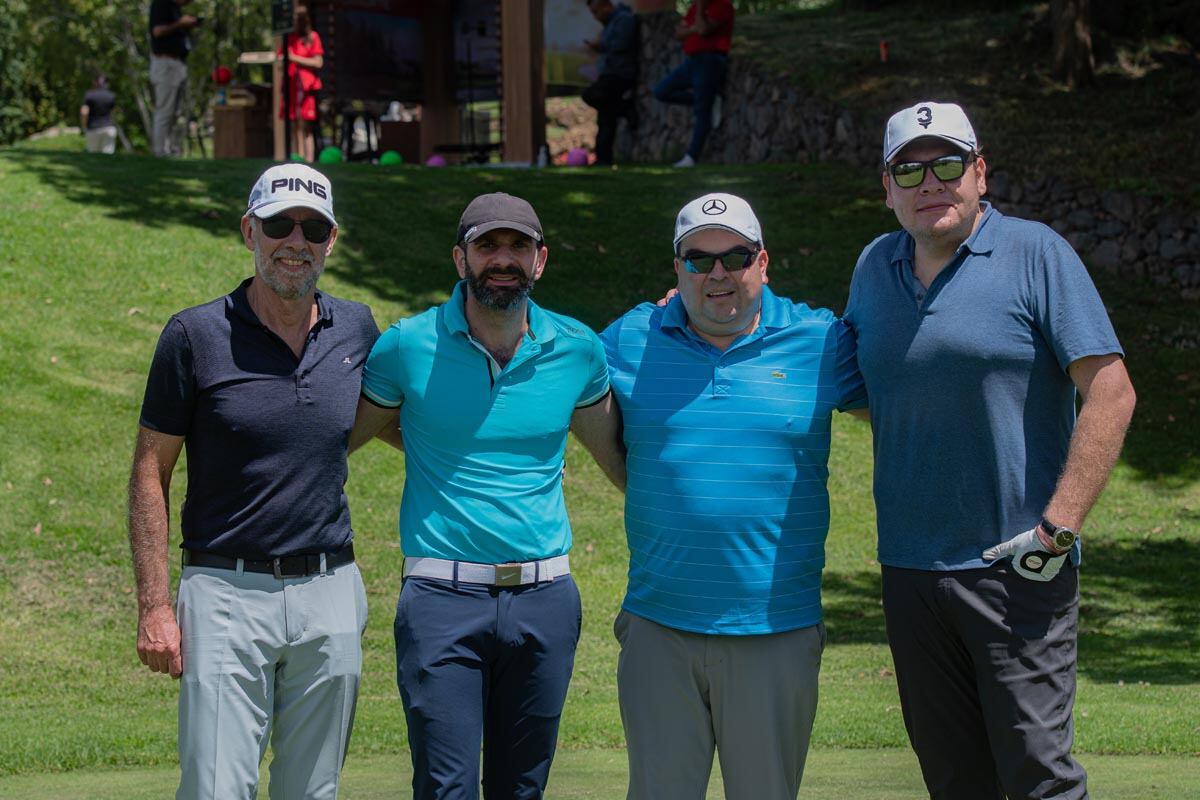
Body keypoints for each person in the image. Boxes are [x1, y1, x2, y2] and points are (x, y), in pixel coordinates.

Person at [843, 101, 1137, 799]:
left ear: (979, 173)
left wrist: (1058, 528)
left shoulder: (1036, 253)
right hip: (910, 569)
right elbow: (850, 378)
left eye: (947, 164)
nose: (929, 183)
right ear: (886, 188)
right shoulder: (874, 265)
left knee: (1038, 777)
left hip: (1018, 569)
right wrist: (701, 311)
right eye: (907, 170)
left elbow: (1112, 390)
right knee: (953, 780)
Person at [350, 192, 622, 800]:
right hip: (440, 599)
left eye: (518, 246)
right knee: (445, 789)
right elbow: (338, 440)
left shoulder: (578, 350)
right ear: (460, 257)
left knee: (522, 789)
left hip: (546, 598)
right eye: (487, 246)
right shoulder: (405, 346)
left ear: (540, 260)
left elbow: (621, 466)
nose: (503, 259)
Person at [599, 193, 867, 799]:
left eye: (734, 257)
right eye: (698, 260)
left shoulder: (822, 341)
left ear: (763, 263)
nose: (717, 274)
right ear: (677, 269)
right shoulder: (628, 339)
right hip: (659, 629)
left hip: (776, 629)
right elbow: (552, 382)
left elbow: (911, 400)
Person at [128, 163, 381, 799]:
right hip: (223, 592)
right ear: (249, 231)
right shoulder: (193, 336)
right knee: (216, 789)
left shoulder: (358, 329)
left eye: (313, 228)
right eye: (279, 224)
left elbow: (423, 417)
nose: (296, 241)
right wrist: (156, 605)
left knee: (312, 791)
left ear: (332, 240)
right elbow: (149, 472)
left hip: (330, 591)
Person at [652, 0, 734, 168]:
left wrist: (700, 12)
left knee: (702, 112)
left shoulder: (722, 6)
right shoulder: (695, 7)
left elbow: (703, 30)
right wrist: (695, 23)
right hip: (692, 61)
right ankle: (708, 101)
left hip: (711, 60)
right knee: (661, 91)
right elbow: (679, 33)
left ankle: (692, 157)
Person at [581, 0, 638, 166]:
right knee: (606, 118)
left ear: (606, 6)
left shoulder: (624, 20)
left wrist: (600, 45)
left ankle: (625, 108)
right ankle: (603, 158)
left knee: (591, 96)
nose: (595, 17)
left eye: (596, 12)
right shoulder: (610, 23)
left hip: (619, 74)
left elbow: (622, 44)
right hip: (609, 73)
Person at [148, 0, 198, 157]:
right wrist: (179, 24)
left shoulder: (176, 8)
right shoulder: (160, 4)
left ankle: (171, 149)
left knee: (176, 112)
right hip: (165, 64)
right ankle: (159, 150)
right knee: (164, 110)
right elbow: (157, 31)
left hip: (177, 63)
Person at [277, 4, 324, 163]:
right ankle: (296, 159)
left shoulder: (313, 37)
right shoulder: (289, 38)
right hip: (291, 86)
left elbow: (318, 63)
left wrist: (294, 58)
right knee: (293, 124)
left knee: (305, 126)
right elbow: (280, 59)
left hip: (305, 87)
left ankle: (308, 161)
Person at [80, 73, 118, 154]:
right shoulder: (111, 96)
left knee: (93, 158)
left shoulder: (89, 95)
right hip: (109, 128)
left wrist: (83, 126)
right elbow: (114, 113)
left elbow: (84, 112)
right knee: (108, 158)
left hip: (93, 128)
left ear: (94, 82)